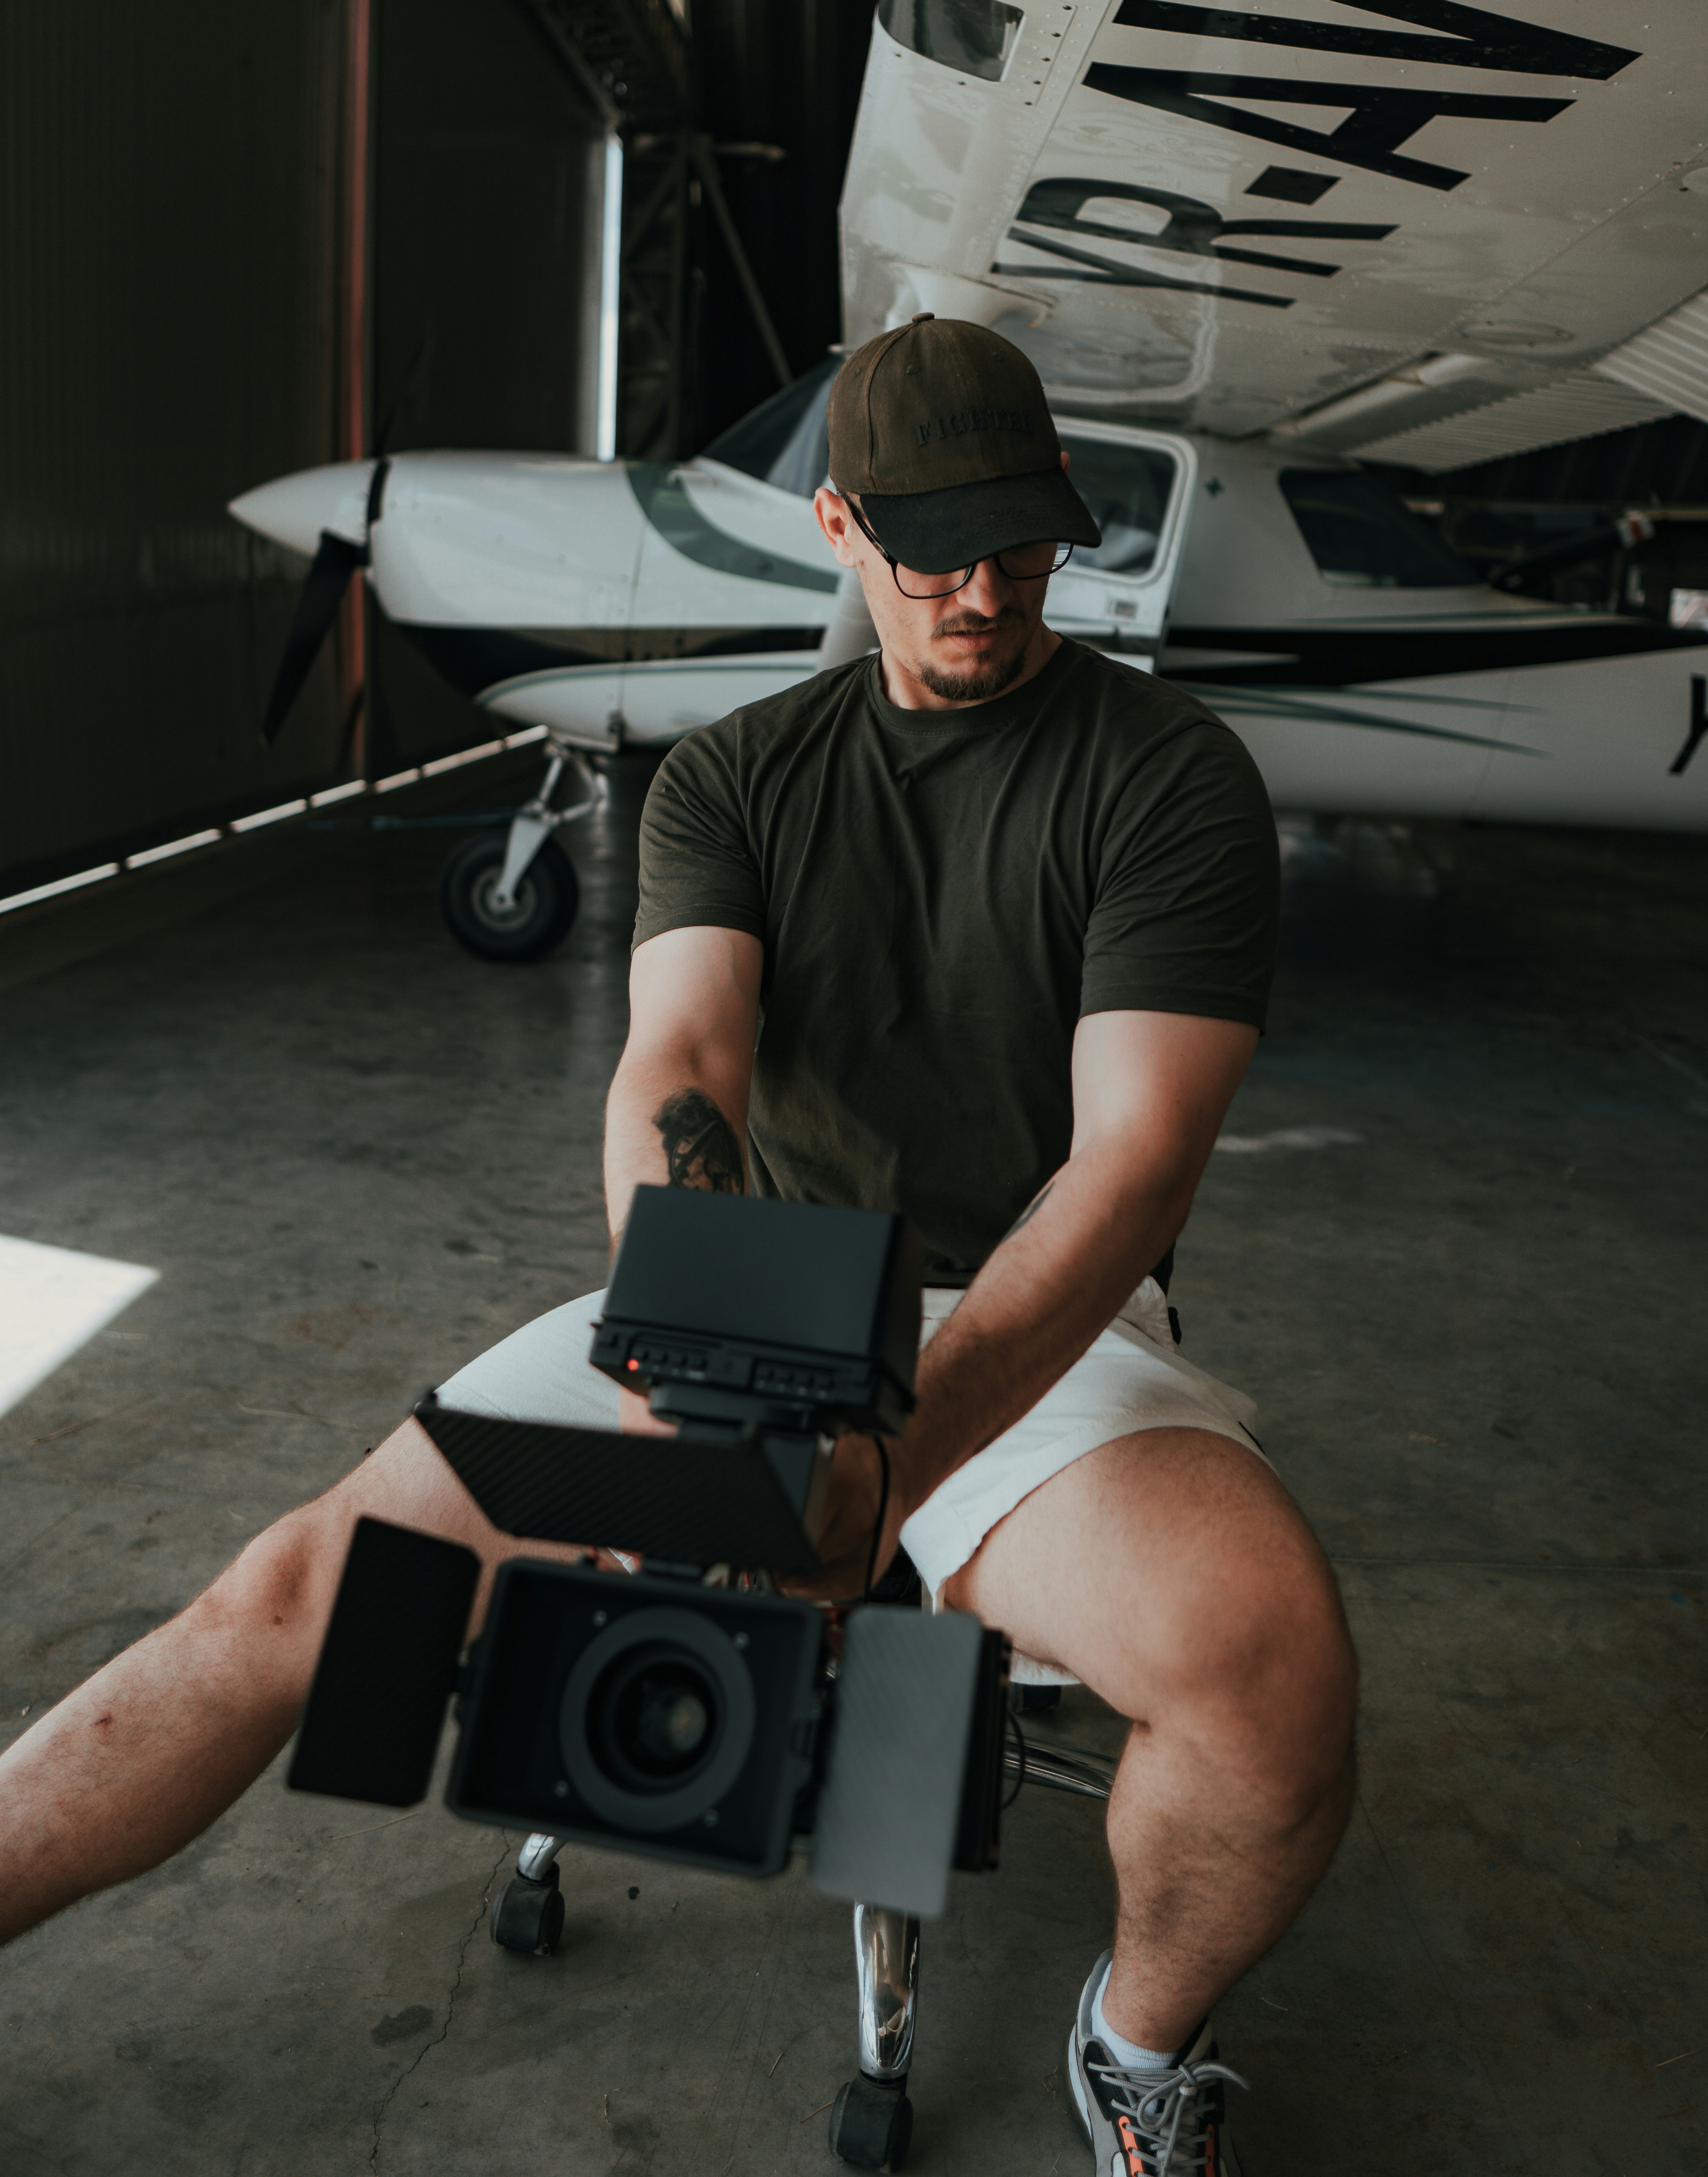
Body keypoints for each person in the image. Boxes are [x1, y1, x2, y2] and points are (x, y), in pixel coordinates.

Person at [0, 316, 1356, 2177]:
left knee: (1272, 1675)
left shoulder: (1166, 774)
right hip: (746, 1298)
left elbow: (1130, 1168)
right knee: (285, 1602)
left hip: (1034, 1322)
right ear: (838, 527)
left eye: (1022, 544)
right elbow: (678, 1074)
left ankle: (1134, 2044)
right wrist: (703, 1390)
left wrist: (891, 1455)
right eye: (935, 549)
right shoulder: (733, 778)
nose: (985, 589)